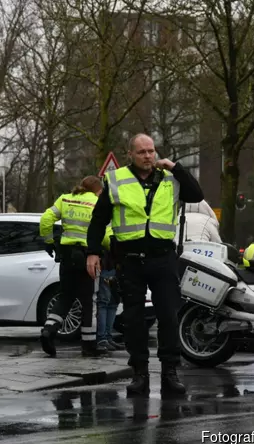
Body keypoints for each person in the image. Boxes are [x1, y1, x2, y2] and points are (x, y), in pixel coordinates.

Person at [85, 133, 204, 396]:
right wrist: (93, 252)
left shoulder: (170, 178)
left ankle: (170, 372)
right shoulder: (116, 180)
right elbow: (98, 219)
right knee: (134, 320)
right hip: (130, 260)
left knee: (169, 317)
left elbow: (196, 195)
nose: (148, 156)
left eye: (151, 151)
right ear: (130, 154)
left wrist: (176, 167)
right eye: (142, 152)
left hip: (162, 258)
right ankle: (139, 372)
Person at [39, 176, 113, 357]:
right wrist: (111, 250)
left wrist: (49, 241)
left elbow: (46, 219)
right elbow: (104, 235)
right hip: (89, 258)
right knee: (90, 301)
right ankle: (89, 345)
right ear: (98, 190)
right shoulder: (98, 203)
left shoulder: (65, 199)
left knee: (66, 296)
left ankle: (49, 329)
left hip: (67, 256)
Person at [95, 247, 124, 352]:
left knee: (112, 304)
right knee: (105, 303)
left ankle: (106, 337)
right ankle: (103, 338)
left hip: (111, 265)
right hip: (106, 264)